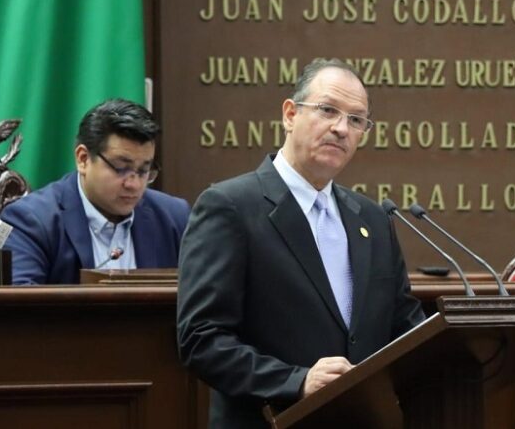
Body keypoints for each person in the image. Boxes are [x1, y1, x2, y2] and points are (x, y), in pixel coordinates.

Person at [177, 59, 425, 428]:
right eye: (328, 110)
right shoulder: (230, 206)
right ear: (290, 114)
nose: (341, 128)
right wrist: (296, 381)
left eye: (356, 120)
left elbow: (404, 326)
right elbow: (201, 338)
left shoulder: (372, 219)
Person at [0, 98, 190, 284]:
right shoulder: (31, 220)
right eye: (121, 168)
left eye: (143, 170)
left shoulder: (174, 218)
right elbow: (21, 301)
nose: (134, 184)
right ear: (83, 159)